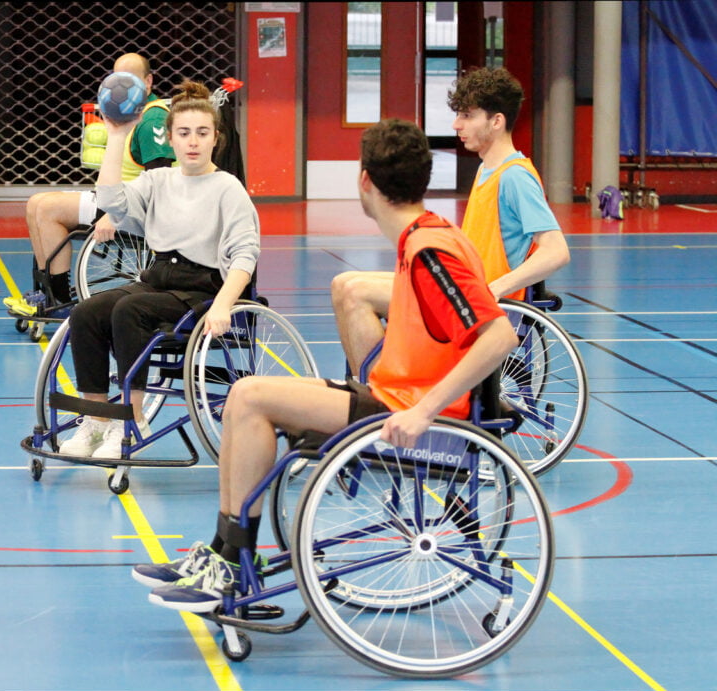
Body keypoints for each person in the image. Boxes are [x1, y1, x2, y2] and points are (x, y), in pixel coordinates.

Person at [132, 119, 519, 613]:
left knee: (249, 395)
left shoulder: (431, 251)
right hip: (390, 394)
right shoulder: (429, 235)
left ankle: (229, 565)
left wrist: (424, 412)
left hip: (412, 412)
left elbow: (500, 334)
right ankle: (223, 552)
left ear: (364, 181)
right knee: (247, 397)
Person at [57, 79, 259, 461]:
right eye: (184, 133)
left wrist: (223, 306)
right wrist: (117, 136)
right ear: (170, 139)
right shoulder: (158, 180)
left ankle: (132, 418)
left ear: (217, 137)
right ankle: (97, 419)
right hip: (158, 278)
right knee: (86, 312)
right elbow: (112, 200)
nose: (193, 141)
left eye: (202, 133)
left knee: (129, 310)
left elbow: (245, 256)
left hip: (203, 288)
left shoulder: (227, 188)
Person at [330, 66, 570, 380]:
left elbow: (556, 251)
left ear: (496, 121)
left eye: (468, 116)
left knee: (354, 292)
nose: (457, 124)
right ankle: (372, 383)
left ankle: (383, 391)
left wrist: (495, 288)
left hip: (474, 303)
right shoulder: (488, 169)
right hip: (457, 288)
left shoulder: (515, 176)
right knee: (343, 284)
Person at [3, 52, 176, 320]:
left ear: (149, 81)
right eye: (117, 77)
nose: (123, 84)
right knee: (36, 203)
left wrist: (115, 213)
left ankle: (61, 303)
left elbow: (161, 181)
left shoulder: (152, 119)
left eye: (131, 78)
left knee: (48, 210)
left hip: (134, 209)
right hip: (118, 197)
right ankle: (45, 293)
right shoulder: (126, 114)